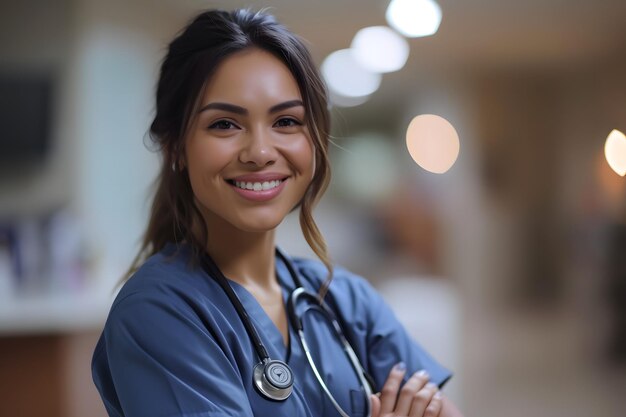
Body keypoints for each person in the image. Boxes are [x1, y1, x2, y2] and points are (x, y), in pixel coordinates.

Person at [91, 8, 464, 417]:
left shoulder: (346, 301)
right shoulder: (158, 313)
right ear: (176, 147)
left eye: (286, 121)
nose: (261, 152)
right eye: (225, 125)